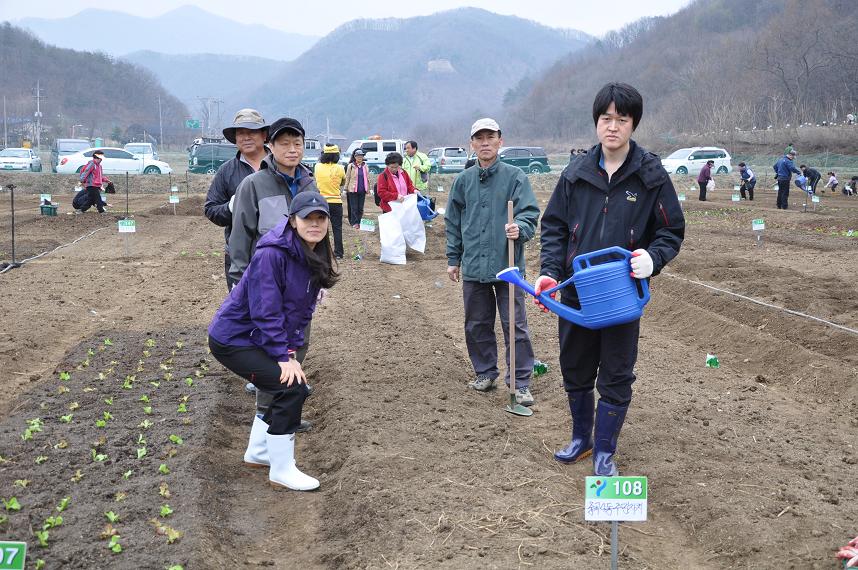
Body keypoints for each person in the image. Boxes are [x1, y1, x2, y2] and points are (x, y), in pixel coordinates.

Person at [537, 83, 685, 476]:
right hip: (576, 291)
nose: (613, 127)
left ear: (633, 123)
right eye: (606, 119)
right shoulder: (576, 173)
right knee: (575, 366)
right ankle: (581, 439)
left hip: (621, 295)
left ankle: (605, 449)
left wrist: (652, 259)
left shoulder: (651, 175)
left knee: (617, 372)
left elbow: (671, 231)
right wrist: (550, 272)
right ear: (596, 122)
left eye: (622, 119)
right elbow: (553, 227)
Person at [209, 191, 338, 491]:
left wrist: (289, 351)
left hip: (252, 337)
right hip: (233, 339)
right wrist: (283, 356)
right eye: (308, 218)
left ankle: (258, 452)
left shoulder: (312, 251)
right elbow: (266, 311)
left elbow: (298, 311)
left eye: (321, 219)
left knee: (284, 386)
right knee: (292, 388)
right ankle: (281, 468)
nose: (315, 224)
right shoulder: (272, 254)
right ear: (293, 220)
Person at [228, 117, 319, 435]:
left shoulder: (309, 182)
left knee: (299, 344)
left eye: (297, 144)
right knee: (271, 350)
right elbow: (240, 236)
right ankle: (266, 418)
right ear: (271, 146)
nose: (292, 150)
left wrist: (319, 277)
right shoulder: (253, 185)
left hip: (300, 282)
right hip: (266, 285)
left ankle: (287, 413)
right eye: (284, 143)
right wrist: (238, 280)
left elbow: (317, 233)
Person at [445, 118, 540, 406]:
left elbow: (529, 213)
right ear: (472, 144)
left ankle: (520, 382)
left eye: (491, 137)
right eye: (479, 138)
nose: (485, 142)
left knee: (515, 324)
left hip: (507, 264)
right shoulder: (463, 181)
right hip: (474, 263)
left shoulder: (515, 177)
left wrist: (519, 228)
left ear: (500, 140)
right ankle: (485, 372)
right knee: (476, 323)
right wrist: (453, 259)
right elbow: (453, 222)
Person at [204, 108, 270, 290]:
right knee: (242, 311)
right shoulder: (227, 171)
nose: (246, 137)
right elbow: (210, 209)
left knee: (276, 309)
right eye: (241, 133)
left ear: (264, 135)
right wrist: (231, 207)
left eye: (251, 132)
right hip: (239, 257)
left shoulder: (279, 167)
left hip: (277, 254)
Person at [314, 145, 346, 259]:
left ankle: (322, 252)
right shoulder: (341, 168)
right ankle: (339, 253)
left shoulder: (317, 167)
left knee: (322, 228)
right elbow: (343, 182)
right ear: (337, 155)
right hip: (336, 202)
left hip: (321, 202)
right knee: (337, 228)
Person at [344, 149, 371, 228]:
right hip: (352, 190)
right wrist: (345, 189)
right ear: (355, 157)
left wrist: (369, 188)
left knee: (360, 208)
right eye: (358, 156)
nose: (360, 157)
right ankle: (354, 222)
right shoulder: (351, 166)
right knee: (354, 207)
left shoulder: (365, 166)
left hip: (362, 190)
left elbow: (367, 178)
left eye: (361, 156)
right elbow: (347, 178)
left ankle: (359, 222)